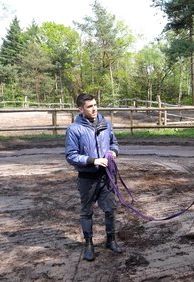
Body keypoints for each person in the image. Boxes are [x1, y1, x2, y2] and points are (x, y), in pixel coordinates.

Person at [65, 93, 123, 261]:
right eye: (90, 106)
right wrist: (93, 160)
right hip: (87, 178)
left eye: (95, 105)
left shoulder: (106, 124)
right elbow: (71, 156)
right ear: (80, 109)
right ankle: (89, 244)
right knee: (87, 212)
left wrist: (113, 151)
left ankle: (110, 241)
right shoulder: (74, 130)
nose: (94, 108)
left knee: (111, 210)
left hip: (106, 177)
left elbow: (114, 142)